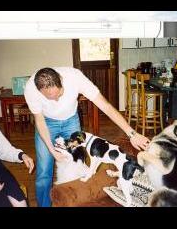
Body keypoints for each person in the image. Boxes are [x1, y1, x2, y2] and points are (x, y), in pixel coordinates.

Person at [24, 67, 150, 207]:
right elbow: (39, 121)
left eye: (59, 94)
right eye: (50, 98)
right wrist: (52, 150)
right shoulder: (30, 89)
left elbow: (105, 106)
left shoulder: (75, 77)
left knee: (77, 163)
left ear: (61, 80)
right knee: (43, 172)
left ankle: (78, 199)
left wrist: (131, 133)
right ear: (39, 90)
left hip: (71, 120)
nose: (56, 101)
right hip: (46, 122)